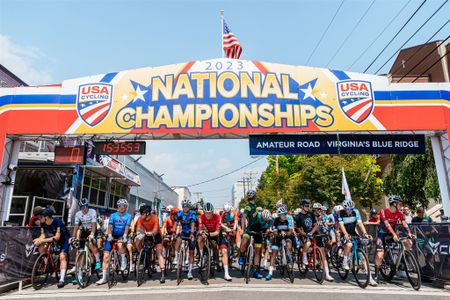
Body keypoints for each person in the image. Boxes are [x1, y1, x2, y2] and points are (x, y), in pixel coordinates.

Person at [374, 195, 414, 283]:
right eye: (400, 204)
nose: (402, 206)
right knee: (380, 255)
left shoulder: (399, 213)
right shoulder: (383, 211)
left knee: (408, 242)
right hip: (382, 235)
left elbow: (404, 223)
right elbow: (386, 224)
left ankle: (401, 263)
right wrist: (394, 234)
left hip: (392, 234)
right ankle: (376, 276)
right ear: (394, 204)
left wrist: (409, 233)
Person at [338, 199, 376, 286]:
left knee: (363, 256)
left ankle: (370, 278)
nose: (349, 211)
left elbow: (360, 224)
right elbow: (341, 225)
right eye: (347, 209)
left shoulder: (356, 212)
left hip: (354, 232)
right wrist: (346, 234)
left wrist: (365, 233)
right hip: (345, 232)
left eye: (351, 209)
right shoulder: (340, 213)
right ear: (344, 208)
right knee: (349, 244)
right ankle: (344, 261)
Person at [295, 199, 333, 282]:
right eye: (306, 206)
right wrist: (304, 233)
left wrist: (312, 232)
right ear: (302, 206)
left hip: (314, 233)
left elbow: (316, 225)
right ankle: (304, 257)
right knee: (308, 243)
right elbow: (298, 228)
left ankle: (327, 274)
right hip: (305, 234)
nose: (308, 207)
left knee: (323, 253)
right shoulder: (298, 216)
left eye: (309, 206)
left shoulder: (311, 214)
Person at [33, 207, 71, 288]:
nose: (39, 219)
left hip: (64, 240)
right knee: (41, 248)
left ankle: (61, 279)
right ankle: (48, 262)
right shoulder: (43, 223)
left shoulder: (57, 222)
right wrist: (39, 239)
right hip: (52, 238)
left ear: (46, 217)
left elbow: (57, 237)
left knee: (62, 256)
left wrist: (42, 240)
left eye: (40, 217)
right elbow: (43, 235)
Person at [96, 199, 132, 285]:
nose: (121, 208)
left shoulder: (128, 216)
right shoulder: (113, 215)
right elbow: (110, 226)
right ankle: (104, 278)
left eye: (123, 206)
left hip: (121, 234)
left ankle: (123, 259)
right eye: (119, 206)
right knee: (105, 256)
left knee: (120, 245)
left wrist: (125, 236)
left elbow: (127, 227)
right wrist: (109, 235)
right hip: (113, 234)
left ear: (126, 207)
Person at [198, 202, 232, 281]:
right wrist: (202, 233)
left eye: (210, 213)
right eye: (206, 213)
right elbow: (200, 229)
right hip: (207, 233)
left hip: (217, 234)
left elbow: (217, 232)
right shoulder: (201, 217)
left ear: (213, 212)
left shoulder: (217, 217)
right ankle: (202, 257)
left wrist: (208, 234)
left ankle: (226, 273)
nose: (208, 215)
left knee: (224, 251)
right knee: (199, 238)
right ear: (204, 212)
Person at [135, 204, 166, 283]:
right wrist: (139, 233)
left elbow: (155, 230)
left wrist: (150, 233)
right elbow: (138, 229)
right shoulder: (140, 219)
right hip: (147, 235)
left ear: (148, 213)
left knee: (159, 253)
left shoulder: (155, 218)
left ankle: (162, 274)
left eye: (142, 213)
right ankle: (142, 255)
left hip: (156, 236)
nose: (141, 215)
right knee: (137, 240)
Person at [239, 189, 264, 279]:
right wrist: (242, 229)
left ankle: (256, 271)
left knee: (257, 252)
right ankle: (241, 256)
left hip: (258, 230)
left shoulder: (256, 207)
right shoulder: (248, 207)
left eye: (251, 198)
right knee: (244, 242)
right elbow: (243, 217)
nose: (251, 199)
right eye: (249, 198)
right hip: (249, 229)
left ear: (254, 197)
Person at [265, 205, 294, 280]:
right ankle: (270, 272)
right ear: (279, 215)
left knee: (289, 245)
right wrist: (279, 234)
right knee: (274, 252)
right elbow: (274, 232)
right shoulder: (275, 220)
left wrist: (286, 233)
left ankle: (289, 259)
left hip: (287, 235)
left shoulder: (289, 218)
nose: (284, 215)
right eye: (282, 214)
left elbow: (291, 230)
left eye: (285, 213)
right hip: (278, 236)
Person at [72, 198, 101, 271]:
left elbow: (94, 224)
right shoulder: (78, 214)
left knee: (90, 244)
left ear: (87, 206)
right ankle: (79, 274)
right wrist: (73, 237)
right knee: (80, 251)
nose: (84, 209)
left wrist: (92, 234)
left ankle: (98, 260)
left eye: (85, 207)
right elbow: (76, 226)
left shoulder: (92, 211)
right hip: (85, 231)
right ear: (80, 208)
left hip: (93, 230)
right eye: (82, 207)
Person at [174, 199, 197, 280]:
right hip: (183, 232)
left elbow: (193, 224)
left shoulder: (192, 214)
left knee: (191, 252)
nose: (185, 208)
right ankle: (176, 258)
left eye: (187, 206)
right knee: (177, 241)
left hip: (191, 232)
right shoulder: (180, 213)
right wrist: (174, 232)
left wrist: (191, 234)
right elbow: (176, 222)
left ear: (189, 207)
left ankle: (190, 272)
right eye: (184, 206)